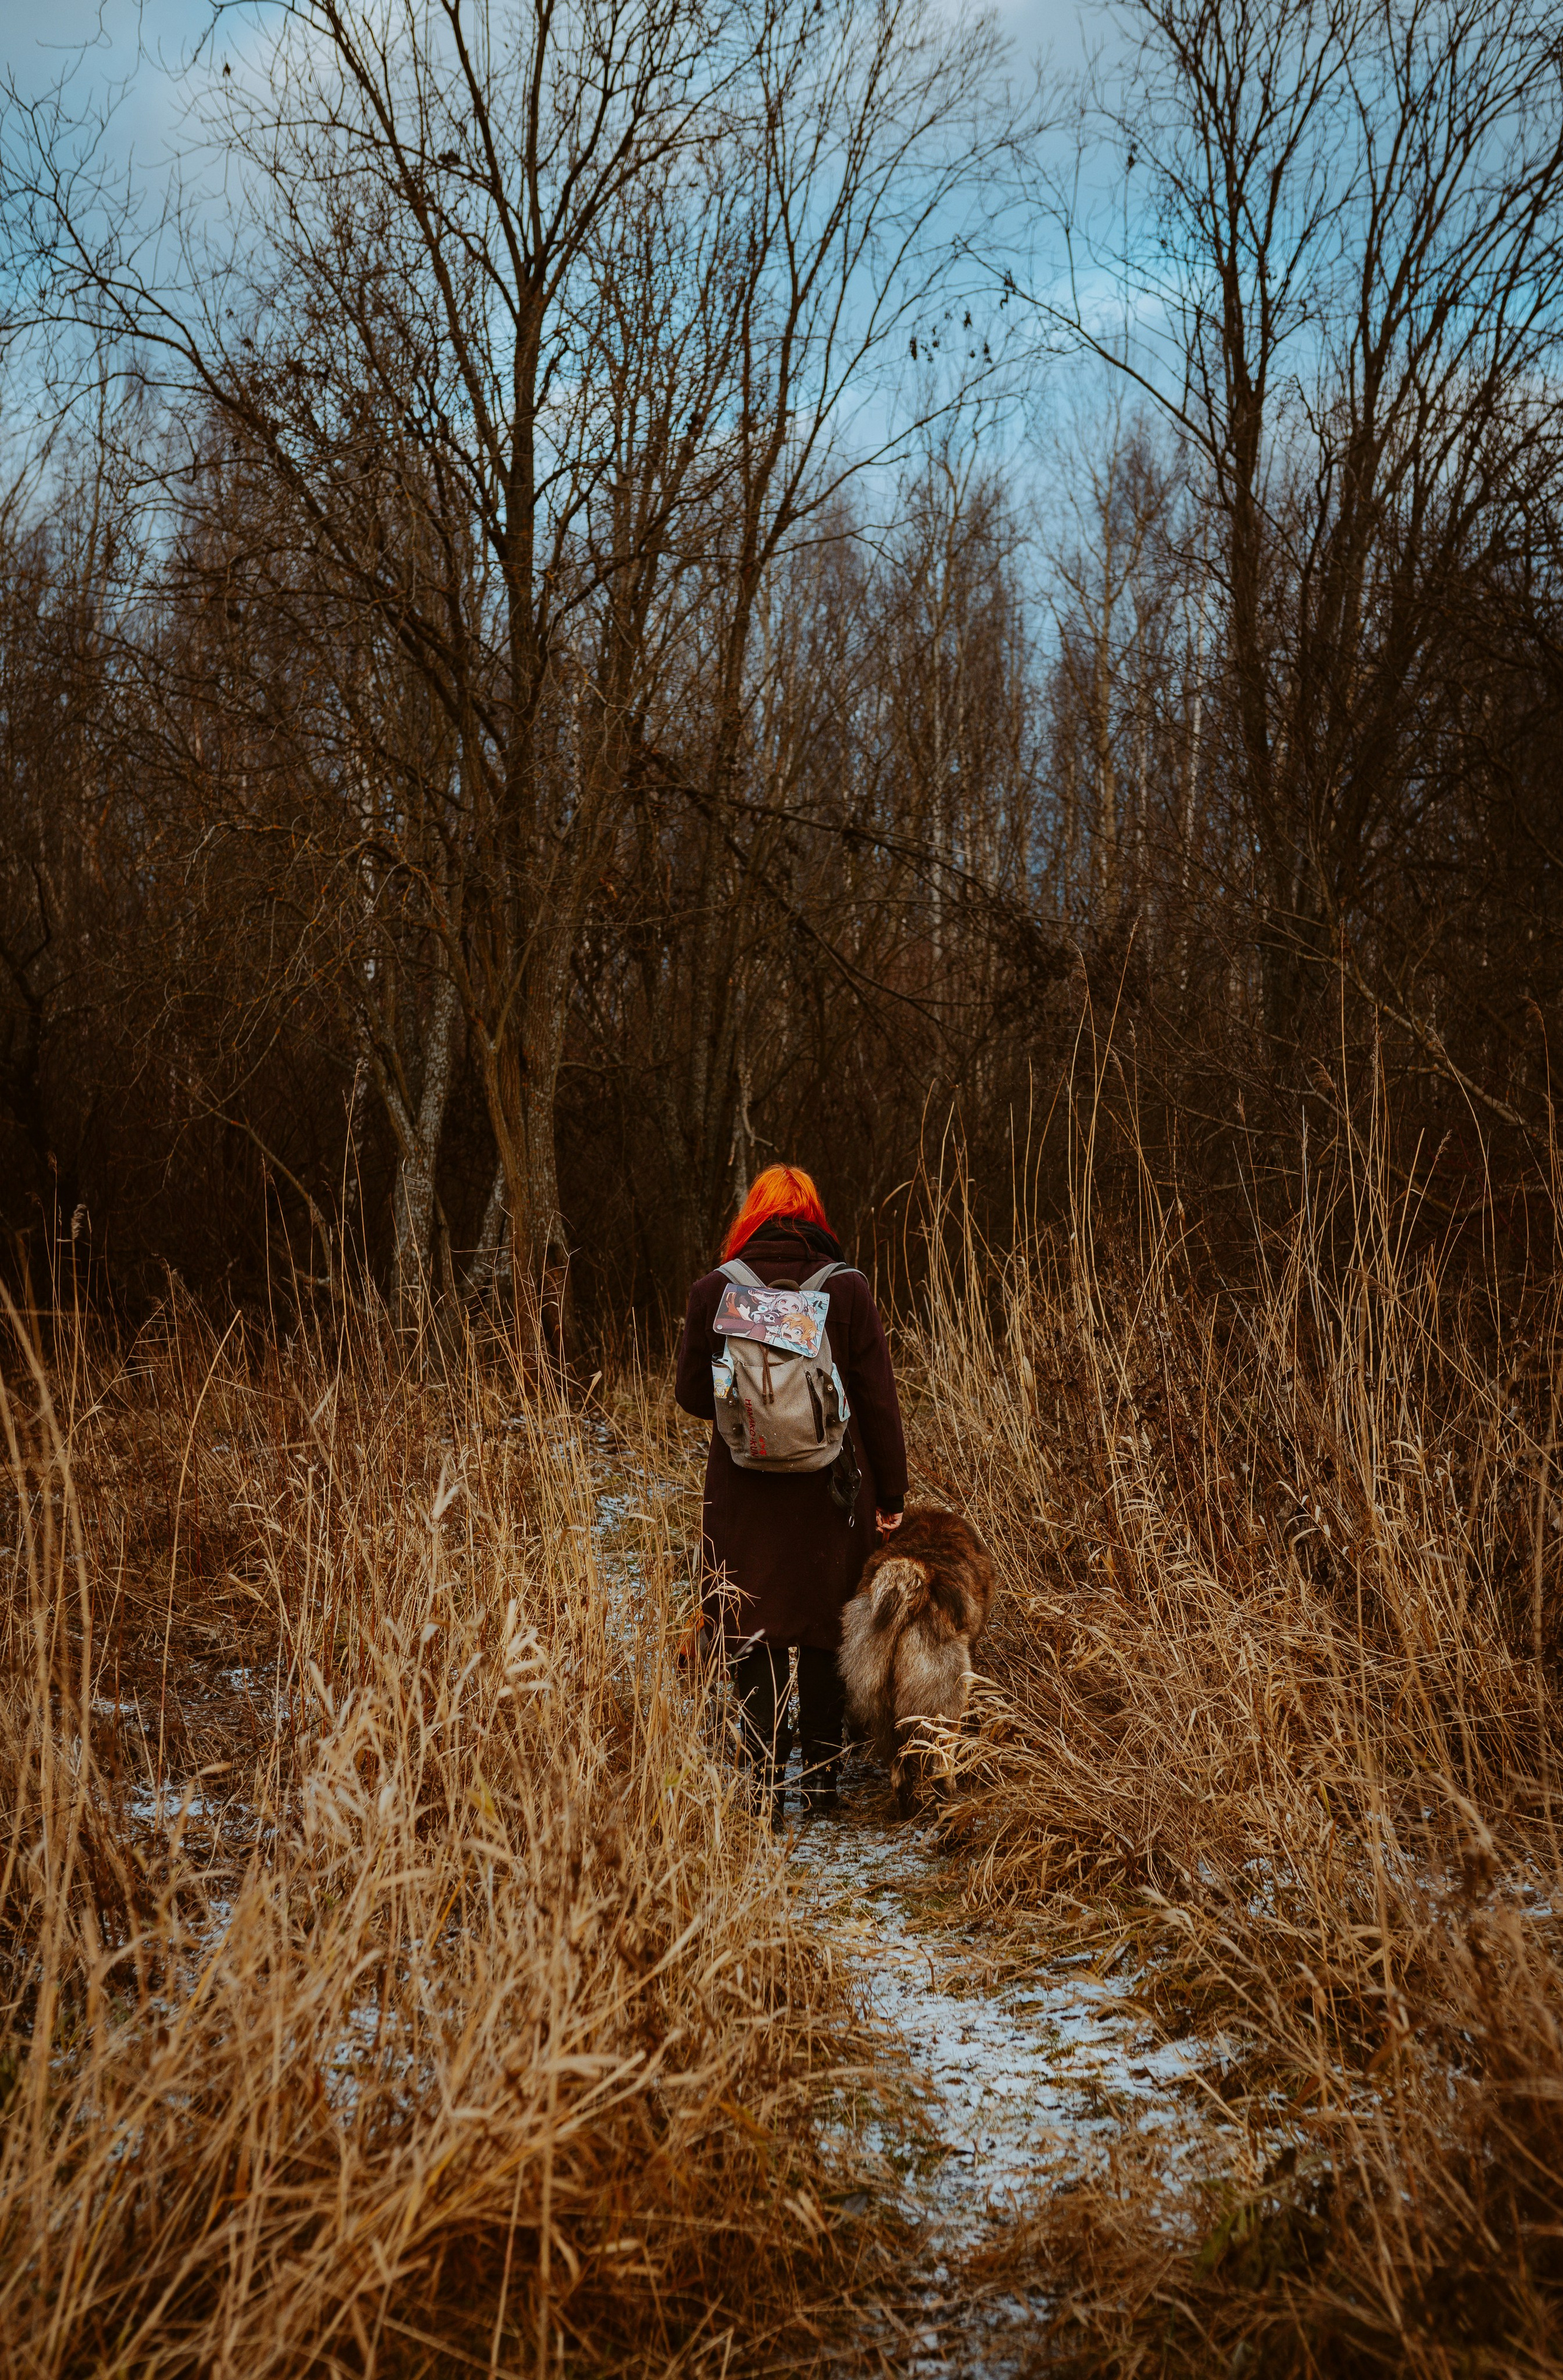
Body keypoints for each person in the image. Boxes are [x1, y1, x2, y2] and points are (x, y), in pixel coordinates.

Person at [674, 1163, 908, 1824]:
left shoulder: (715, 1290)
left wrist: (746, 1398)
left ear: (750, 1216)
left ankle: (765, 1784)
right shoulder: (848, 1291)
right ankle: (826, 1784)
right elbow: (879, 1404)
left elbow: (691, 1395)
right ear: (815, 1218)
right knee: (827, 1625)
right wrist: (891, 1495)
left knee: (754, 1626)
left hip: (744, 1493)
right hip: (833, 1492)